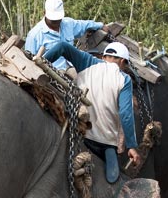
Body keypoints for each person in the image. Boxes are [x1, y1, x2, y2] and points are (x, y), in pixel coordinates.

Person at [41, 40, 141, 183]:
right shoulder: (124, 79)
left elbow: (62, 46)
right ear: (122, 61)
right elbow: (126, 114)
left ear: (104, 57)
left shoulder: (87, 62)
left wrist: (43, 62)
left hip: (81, 134)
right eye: (125, 66)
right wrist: (131, 146)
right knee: (113, 178)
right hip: (106, 143)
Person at [24, 0, 108, 70]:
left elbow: (84, 25)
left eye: (58, 19)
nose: (56, 22)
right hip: (54, 74)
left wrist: (100, 25)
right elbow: (29, 63)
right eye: (53, 19)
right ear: (44, 13)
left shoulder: (68, 24)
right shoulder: (34, 35)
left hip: (73, 66)